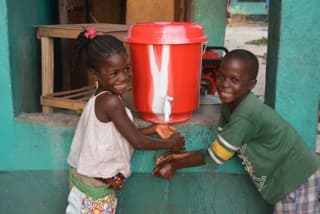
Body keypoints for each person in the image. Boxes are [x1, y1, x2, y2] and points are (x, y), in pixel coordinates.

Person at [153, 49, 320, 213]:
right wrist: (177, 156)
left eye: (234, 80)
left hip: (296, 180)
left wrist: (174, 165)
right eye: (221, 76)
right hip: (287, 182)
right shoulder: (229, 106)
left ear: (251, 85)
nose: (225, 84)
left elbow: (214, 157)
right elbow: (221, 149)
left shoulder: (245, 115)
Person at [66, 27, 185, 214]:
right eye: (114, 73)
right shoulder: (110, 101)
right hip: (93, 191)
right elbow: (136, 142)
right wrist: (171, 143)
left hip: (87, 183)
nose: (123, 77)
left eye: (126, 69)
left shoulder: (104, 97)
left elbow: (120, 134)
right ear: (94, 73)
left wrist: (154, 128)